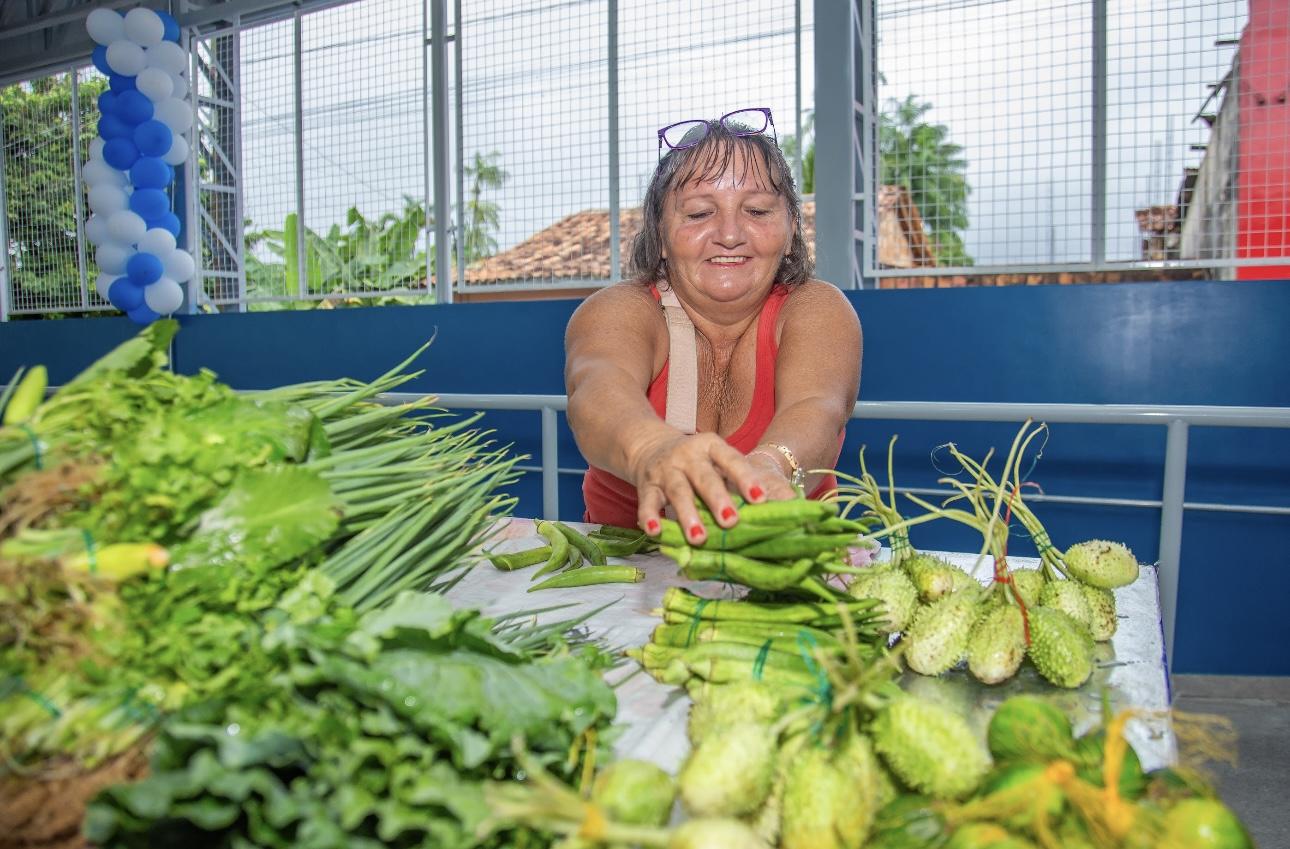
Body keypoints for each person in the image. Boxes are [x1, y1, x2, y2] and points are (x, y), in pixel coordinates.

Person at [565, 107, 862, 544]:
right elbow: (597, 389)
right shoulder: (619, 310)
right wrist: (650, 449)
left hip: (786, 564)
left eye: (758, 211)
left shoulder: (818, 308)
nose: (729, 233)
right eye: (700, 213)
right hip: (629, 574)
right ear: (661, 235)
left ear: (791, 227)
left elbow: (817, 405)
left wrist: (771, 466)